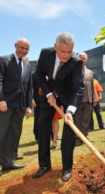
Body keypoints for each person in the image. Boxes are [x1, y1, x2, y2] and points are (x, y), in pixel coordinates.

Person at [33, 32, 84, 182]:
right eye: (63, 51)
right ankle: (44, 165)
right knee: (42, 128)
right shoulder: (45, 53)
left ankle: (67, 167)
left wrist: (69, 111)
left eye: (70, 51)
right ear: (56, 47)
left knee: (69, 132)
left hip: (68, 96)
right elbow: (39, 76)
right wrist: (48, 93)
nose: (66, 55)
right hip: (50, 95)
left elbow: (78, 88)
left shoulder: (76, 62)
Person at [0, 38, 33, 177]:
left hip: (19, 106)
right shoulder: (3, 60)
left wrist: (29, 106)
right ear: (15, 46)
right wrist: (0, 100)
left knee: (14, 134)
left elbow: (29, 88)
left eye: (26, 49)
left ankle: (8, 162)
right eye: (21, 47)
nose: (23, 51)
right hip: (5, 105)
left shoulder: (28, 66)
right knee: (0, 134)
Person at [74, 52, 97, 146]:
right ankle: (77, 139)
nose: (82, 60)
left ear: (86, 60)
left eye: (84, 58)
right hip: (77, 100)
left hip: (88, 100)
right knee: (77, 121)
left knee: (86, 121)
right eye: (80, 58)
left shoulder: (90, 73)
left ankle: (84, 137)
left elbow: (92, 87)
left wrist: (94, 98)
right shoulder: (73, 72)